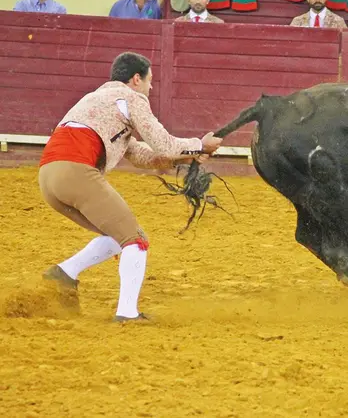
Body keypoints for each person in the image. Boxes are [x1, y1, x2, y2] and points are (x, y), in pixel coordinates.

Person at [39, 52, 222, 321]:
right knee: (135, 239)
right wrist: (200, 145)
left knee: (116, 235)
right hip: (76, 172)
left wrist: (187, 156)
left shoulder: (96, 100)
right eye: (150, 81)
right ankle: (127, 313)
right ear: (136, 78)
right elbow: (164, 144)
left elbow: (140, 155)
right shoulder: (131, 98)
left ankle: (64, 273)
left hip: (48, 177)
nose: (151, 88)